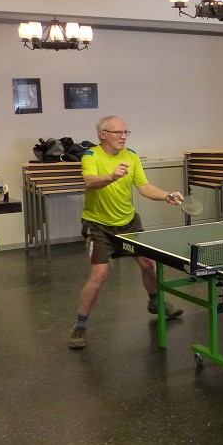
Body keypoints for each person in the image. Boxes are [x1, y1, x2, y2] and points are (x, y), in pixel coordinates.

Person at [68, 115, 187, 350]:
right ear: (102, 134)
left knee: (148, 263)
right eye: (118, 132)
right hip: (98, 226)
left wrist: (166, 195)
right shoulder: (91, 156)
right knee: (99, 274)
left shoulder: (131, 156)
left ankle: (155, 303)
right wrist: (111, 176)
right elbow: (90, 181)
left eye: (126, 132)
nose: (123, 136)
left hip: (128, 222)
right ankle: (79, 325)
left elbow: (144, 187)